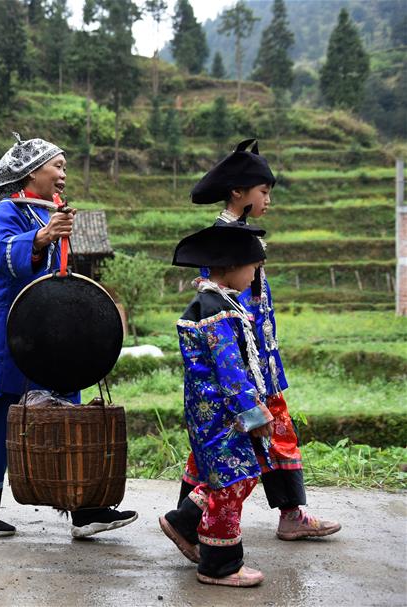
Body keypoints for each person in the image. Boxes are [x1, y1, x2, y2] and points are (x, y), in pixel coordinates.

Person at [0, 133, 137, 538]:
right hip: (5, 334)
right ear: (32, 172)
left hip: (48, 334)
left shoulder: (47, 211)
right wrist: (41, 238)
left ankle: (86, 509)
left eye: (65, 166)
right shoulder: (6, 212)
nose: (64, 173)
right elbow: (2, 256)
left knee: (68, 410)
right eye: (58, 166)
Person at [164, 139, 340, 550]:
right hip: (243, 366)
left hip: (258, 359)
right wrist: (249, 372)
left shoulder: (242, 234)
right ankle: (201, 520)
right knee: (253, 438)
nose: (268, 199)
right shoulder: (224, 240)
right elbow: (226, 310)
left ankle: (191, 520)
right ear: (239, 193)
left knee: (236, 443)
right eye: (263, 192)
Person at [161, 221, 275, 587]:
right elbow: (230, 368)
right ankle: (220, 565)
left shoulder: (215, 302)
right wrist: (254, 414)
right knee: (233, 480)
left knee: (228, 475)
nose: (255, 275)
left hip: (207, 412)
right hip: (224, 414)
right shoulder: (218, 311)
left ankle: (183, 522)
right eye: (253, 267)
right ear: (230, 266)